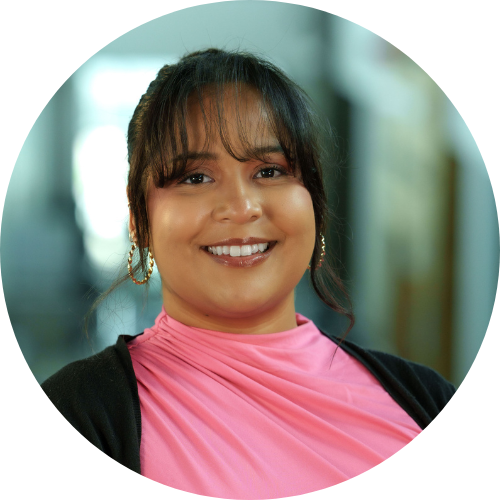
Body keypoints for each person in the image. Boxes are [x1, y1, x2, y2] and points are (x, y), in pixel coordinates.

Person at [42, 48, 455, 499]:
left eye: (269, 170)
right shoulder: (75, 419)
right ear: (139, 217)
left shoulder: (430, 402)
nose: (241, 208)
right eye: (195, 178)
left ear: (313, 201)